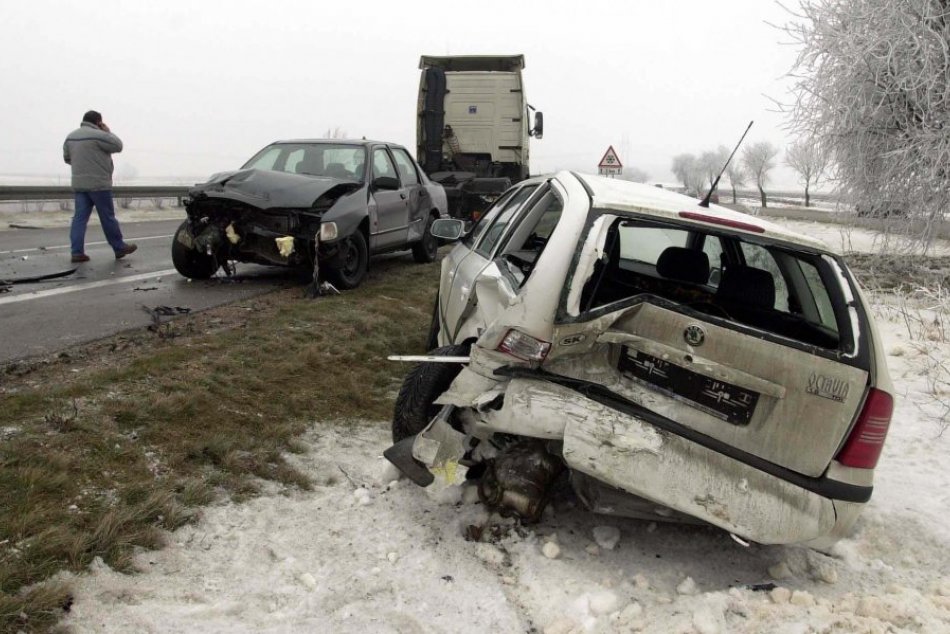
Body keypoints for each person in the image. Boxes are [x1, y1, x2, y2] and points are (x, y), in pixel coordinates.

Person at [62, 110, 137, 263]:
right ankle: (119, 247)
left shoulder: (70, 137)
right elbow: (118, 145)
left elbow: (67, 158)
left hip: (80, 185)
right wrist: (107, 131)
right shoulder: (99, 135)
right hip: (99, 184)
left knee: (79, 219)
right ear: (98, 122)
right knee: (107, 217)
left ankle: (76, 252)